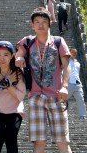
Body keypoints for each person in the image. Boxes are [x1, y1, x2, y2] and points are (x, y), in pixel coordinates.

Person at [15, 8, 72, 153]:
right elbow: (19, 54)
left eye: (44, 22)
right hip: (35, 97)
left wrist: (65, 86)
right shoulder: (27, 42)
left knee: (63, 142)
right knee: (39, 143)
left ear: (50, 24)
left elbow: (67, 67)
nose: (41, 25)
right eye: (37, 22)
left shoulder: (58, 42)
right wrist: (19, 58)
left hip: (56, 96)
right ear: (32, 25)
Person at [0, 41, 26, 153]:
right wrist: (4, 83)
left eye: (6, 54)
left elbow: (21, 96)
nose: (1, 58)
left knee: (11, 139)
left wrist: (6, 84)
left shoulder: (17, 71)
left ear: (12, 56)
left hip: (15, 111)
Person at [67, 48, 87, 120]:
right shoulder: (66, 61)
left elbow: (77, 74)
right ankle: (61, 114)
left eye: (75, 53)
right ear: (69, 53)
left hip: (77, 84)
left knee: (81, 99)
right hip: (69, 83)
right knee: (63, 100)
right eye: (72, 52)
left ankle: (82, 115)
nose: (74, 54)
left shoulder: (78, 63)